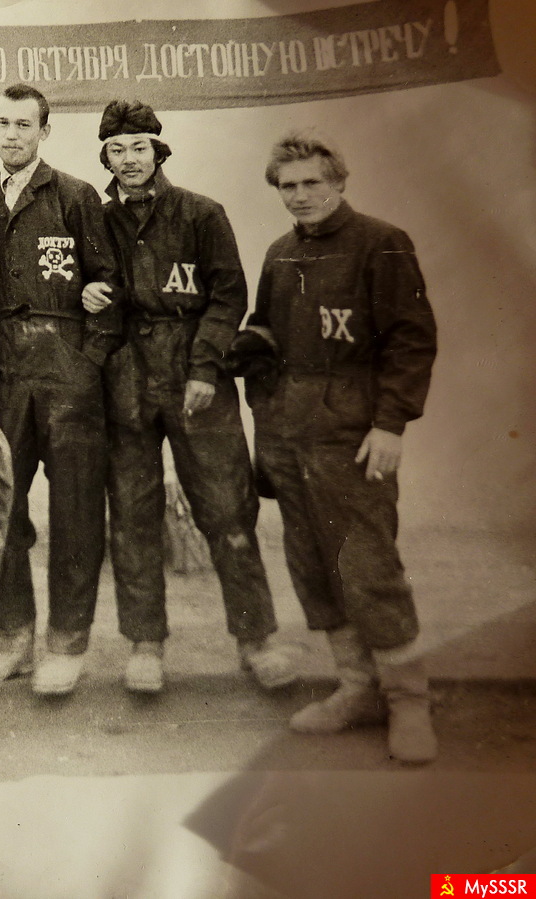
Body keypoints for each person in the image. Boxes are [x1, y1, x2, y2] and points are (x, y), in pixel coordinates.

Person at [242, 130, 438, 762]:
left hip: (352, 437)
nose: (300, 195)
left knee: (367, 567)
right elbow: (266, 334)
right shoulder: (280, 254)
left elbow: (411, 340)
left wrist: (391, 425)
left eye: (312, 183)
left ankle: (408, 700)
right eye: (288, 186)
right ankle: (356, 688)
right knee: (313, 566)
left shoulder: (382, 243)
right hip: (289, 435)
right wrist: (248, 361)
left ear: (339, 182)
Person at [94, 100, 295, 694]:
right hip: (126, 377)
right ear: (105, 157)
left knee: (228, 509)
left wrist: (205, 369)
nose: (129, 160)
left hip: (196, 374)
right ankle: (145, 643)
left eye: (139, 147)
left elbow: (228, 296)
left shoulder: (201, 213)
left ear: (158, 151)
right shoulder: (97, 221)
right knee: (132, 514)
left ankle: (256, 640)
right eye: (116, 150)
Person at [0, 83, 121, 696]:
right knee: (0, 508)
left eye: (24, 125)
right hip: (7, 375)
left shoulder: (76, 197)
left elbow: (110, 285)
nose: (12, 135)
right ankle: (12, 642)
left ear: (44, 132)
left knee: (76, 511)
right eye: (3, 123)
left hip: (67, 373)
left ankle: (66, 645)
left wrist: (87, 363)